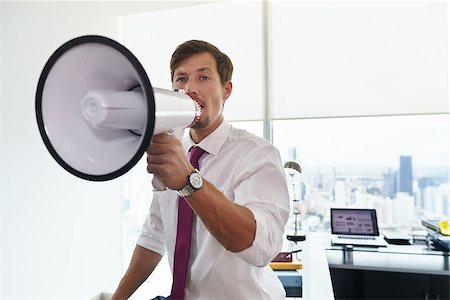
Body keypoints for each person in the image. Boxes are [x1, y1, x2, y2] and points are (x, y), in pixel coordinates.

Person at [112, 40, 290, 300]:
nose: (190, 89)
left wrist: (188, 181)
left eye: (203, 77)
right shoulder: (175, 153)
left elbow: (261, 247)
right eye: (181, 79)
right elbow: (154, 235)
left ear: (226, 90)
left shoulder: (257, 155)